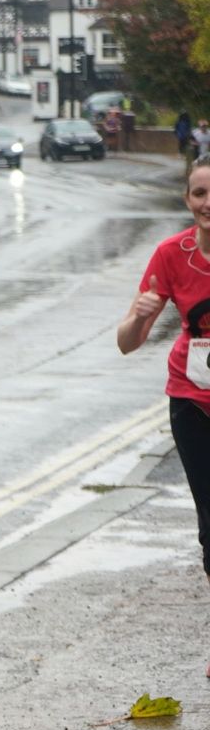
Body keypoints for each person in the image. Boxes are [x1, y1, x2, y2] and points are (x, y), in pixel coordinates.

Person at [117, 152, 210, 679]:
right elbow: (127, 344)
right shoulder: (170, 255)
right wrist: (139, 317)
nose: (208, 204)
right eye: (199, 194)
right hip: (193, 401)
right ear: (188, 199)